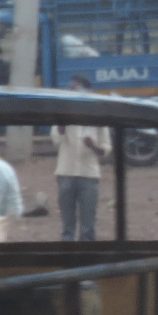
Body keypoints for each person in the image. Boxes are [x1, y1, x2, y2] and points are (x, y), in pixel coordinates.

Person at [57, 77, 112, 242]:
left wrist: (94, 146)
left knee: (88, 227)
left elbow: (106, 149)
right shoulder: (63, 114)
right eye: (72, 88)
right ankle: (68, 260)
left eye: (77, 88)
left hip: (89, 174)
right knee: (67, 227)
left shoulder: (98, 115)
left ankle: (87, 261)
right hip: (65, 172)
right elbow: (56, 142)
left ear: (87, 91)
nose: (73, 91)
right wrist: (61, 127)